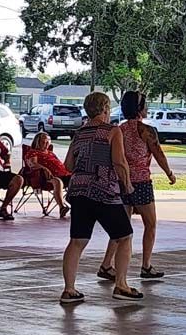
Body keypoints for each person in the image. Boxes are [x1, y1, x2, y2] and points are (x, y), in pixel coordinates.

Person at [60, 92, 142, 304]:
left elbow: (68, 165)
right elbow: (119, 162)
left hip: (78, 191)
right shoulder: (112, 131)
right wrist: (128, 185)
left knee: (77, 240)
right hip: (103, 190)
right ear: (105, 108)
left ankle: (69, 289)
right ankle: (121, 285)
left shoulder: (80, 133)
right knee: (124, 236)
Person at [98, 91, 177, 282]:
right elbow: (158, 154)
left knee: (121, 227)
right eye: (145, 105)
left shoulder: (117, 130)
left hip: (121, 182)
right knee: (150, 224)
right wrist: (169, 173)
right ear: (140, 109)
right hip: (141, 182)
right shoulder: (147, 131)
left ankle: (107, 264)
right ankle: (146, 265)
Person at [27, 131, 72, 218]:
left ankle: (76, 203)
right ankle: (62, 207)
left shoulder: (50, 153)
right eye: (44, 141)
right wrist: (44, 168)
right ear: (37, 142)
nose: (46, 144)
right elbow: (32, 164)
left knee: (78, 179)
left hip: (64, 175)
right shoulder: (33, 152)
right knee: (58, 181)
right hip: (47, 179)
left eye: (48, 141)